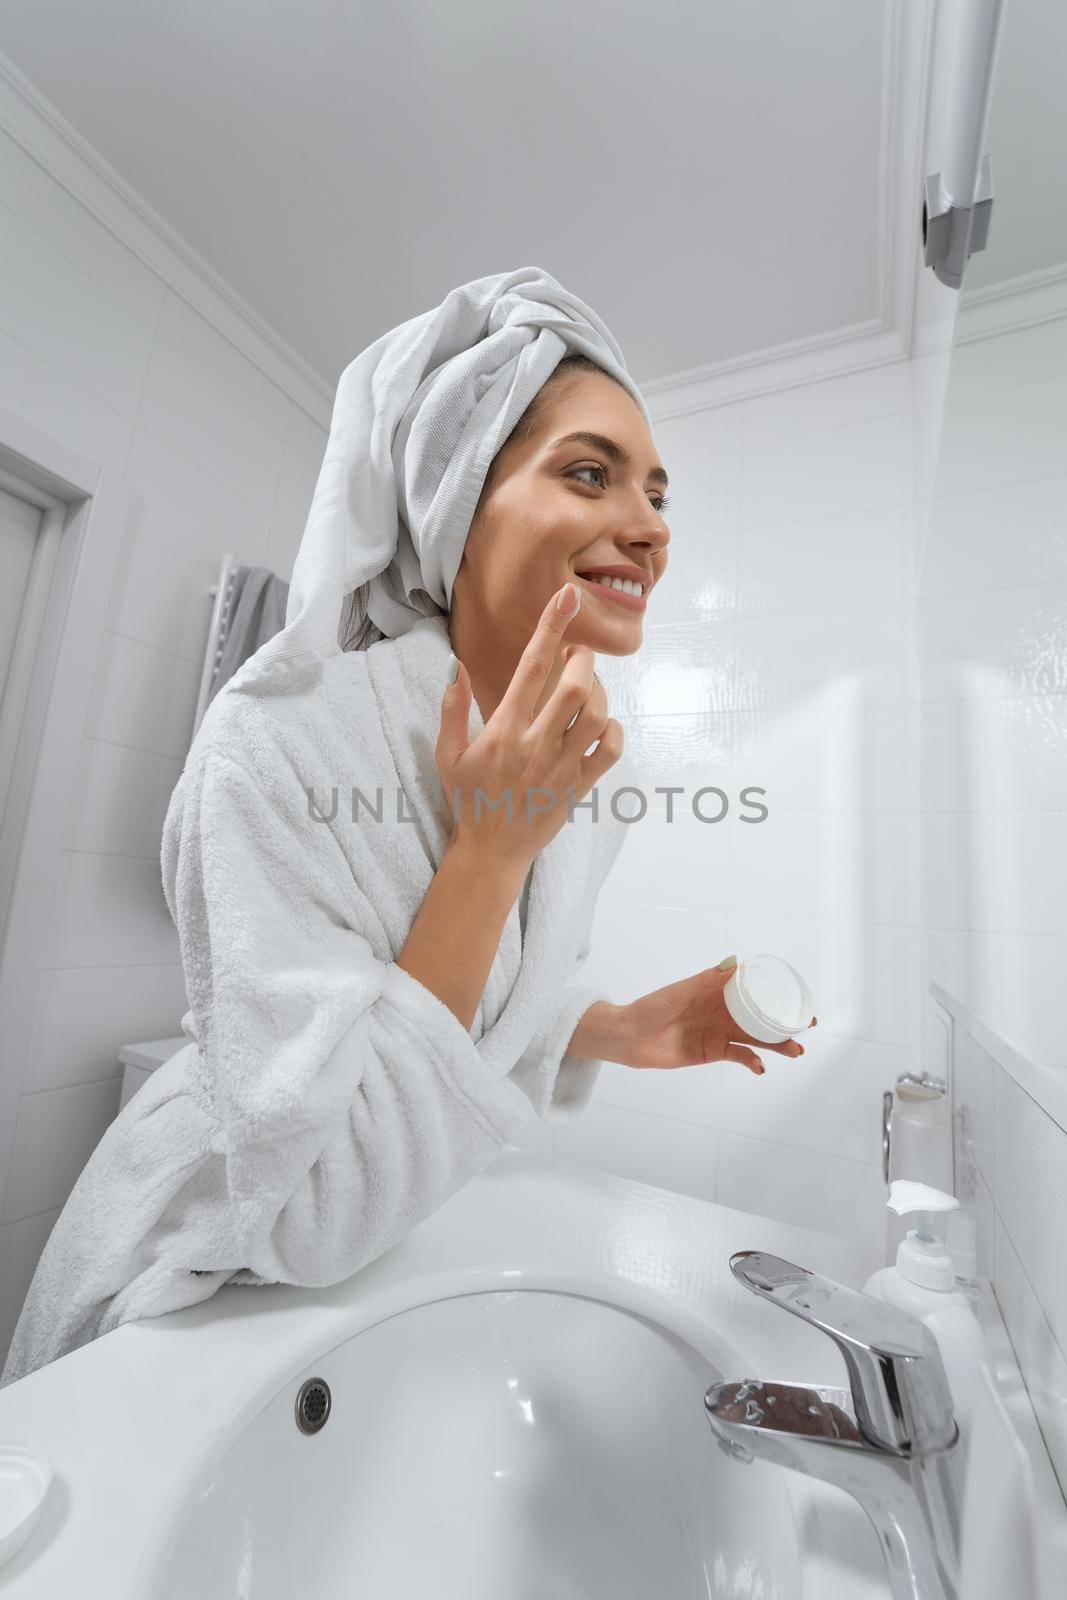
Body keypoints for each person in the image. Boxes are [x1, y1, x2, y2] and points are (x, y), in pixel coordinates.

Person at [0, 266, 811, 1390]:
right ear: (459, 504)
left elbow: (485, 1006)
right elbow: (314, 1197)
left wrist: (614, 1026)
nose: (649, 529)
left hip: (363, 1268)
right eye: (590, 473)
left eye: (658, 496)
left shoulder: (571, 763)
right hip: (192, 1284)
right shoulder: (276, 743)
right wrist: (487, 851)